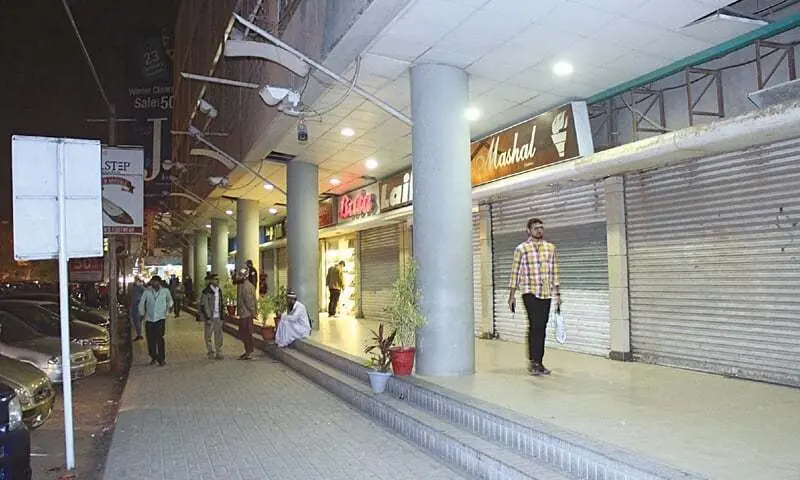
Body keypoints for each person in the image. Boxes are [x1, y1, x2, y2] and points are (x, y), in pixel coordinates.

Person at [507, 218, 561, 376]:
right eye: (536, 228)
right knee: (535, 324)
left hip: (546, 292)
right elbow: (515, 272)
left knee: (541, 327)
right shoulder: (521, 249)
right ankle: (534, 361)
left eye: (541, 228)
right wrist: (511, 296)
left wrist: (557, 294)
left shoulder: (550, 248)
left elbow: (555, 271)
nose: (539, 230)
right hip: (529, 291)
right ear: (528, 230)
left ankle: (539, 361)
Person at [138, 275, 174, 366]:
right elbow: (142, 303)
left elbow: (170, 300)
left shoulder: (165, 291)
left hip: (160, 318)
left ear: (159, 282)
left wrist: (169, 308)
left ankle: (161, 359)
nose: (154, 284)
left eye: (156, 282)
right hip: (149, 319)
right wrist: (141, 313)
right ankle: (153, 356)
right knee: (150, 339)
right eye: (153, 282)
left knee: (160, 338)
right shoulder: (147, 292)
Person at [199, 272, 224, 360]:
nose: (218, 281)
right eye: (216, 279)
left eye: (218, 279)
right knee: (208, 335)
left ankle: (219, 352)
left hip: (218, 317)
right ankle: (210, 351)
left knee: (219, 335)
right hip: (210, 317)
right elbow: (204, 305)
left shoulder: (219, 290)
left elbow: (221, 304)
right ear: (211, 281)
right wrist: (208, 317)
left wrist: (222, 316)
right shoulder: (206, 292)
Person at [235, 266, 257, 360]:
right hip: (245, 313)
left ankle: (249, 352)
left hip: (246, 314)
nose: (238, 276)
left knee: (246, 334)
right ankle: (248, 351)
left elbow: (249, 301)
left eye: (240, 275)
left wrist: (253, 312)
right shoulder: (244, 285)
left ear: (245, 276)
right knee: (246, 334)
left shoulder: (246, 287)